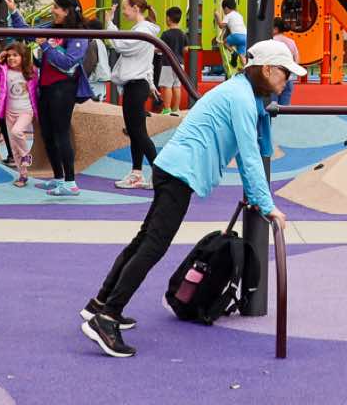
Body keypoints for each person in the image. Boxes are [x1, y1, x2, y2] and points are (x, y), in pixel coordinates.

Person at [80, 37, 299, 358]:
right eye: (285, 73)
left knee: (145, 240)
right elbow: (250, 155)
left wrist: (259, 194)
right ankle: (107, 317)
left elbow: (253, 146)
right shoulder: (241, 98)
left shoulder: (242, 94)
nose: (288, 80)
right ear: (267, 69)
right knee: (153, 246)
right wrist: (267, 206)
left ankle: (99, 303)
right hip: (178, 173)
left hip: (172, 168)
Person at [23, 0, 89, 198]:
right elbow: (27, 34)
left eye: (56, 8)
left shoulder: (77, 33)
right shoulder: (52, 28)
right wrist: (14, 12)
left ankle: (70, 182)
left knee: (61, 133)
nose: (52, 10)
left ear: (67, 11)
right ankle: (59, 178)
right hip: (46, 87)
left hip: (63, 88)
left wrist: (44, 45)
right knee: (48, 134)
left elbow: (68, 62)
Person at [110, 0, 162, 189]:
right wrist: (151, 83)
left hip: (136, 84)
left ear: (136, 8)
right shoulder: (142, 30)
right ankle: (137, 172)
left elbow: (122, 46)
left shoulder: (143, 30)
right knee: (135, 131)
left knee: (138, 132)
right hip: (137, 84)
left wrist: (110, 25)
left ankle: (159, 172)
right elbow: (146, 63)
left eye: (125, 8)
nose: (124, 12)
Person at [0, 43, 38, 187]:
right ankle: (23, 175)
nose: (11, 58)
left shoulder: (31, 72)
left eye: (15, 55)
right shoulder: (4, 72)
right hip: (9, 113)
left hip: (26, 111)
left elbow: (37, 91)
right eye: (8, 55)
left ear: (23, 57)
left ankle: (26, 154)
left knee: (16, 131)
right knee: (14, 148)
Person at [157, 6, 187, 111]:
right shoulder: (183, 34)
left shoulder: (166, 34)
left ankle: (167, 108)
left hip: (168, 64)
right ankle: (176, 108)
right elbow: (186, 49)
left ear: (168, 18)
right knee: (177, 86)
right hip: (180, 63)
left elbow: (160, 48)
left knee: (167, 86)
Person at [218, 0, 247, 68]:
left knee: (225, 42)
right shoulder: (239, 15)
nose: (224, 12)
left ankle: (233, 52)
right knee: (242, 56)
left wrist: (217, 17)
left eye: (224, 10)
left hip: (236, 36)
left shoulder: (228, 15)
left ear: (226, 8)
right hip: (245, 36)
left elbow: (221, 26)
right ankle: (246, 68)